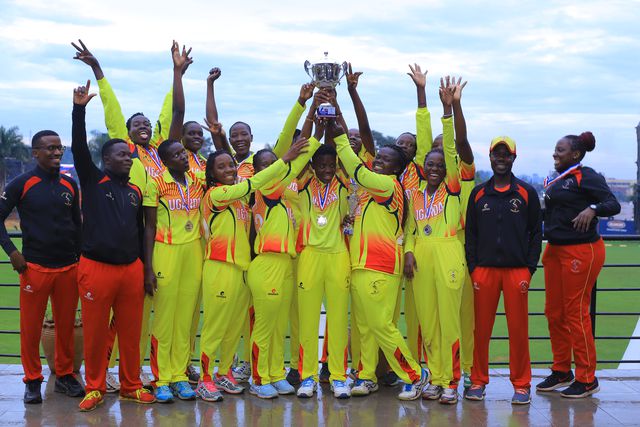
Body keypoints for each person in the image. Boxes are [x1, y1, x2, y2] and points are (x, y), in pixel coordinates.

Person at [72, 39, 178, 388]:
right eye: (137, 124)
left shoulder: (161, 153)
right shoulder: (126, 150)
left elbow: (170, 112)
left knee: (141, 315)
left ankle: (139, 370)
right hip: (124, 237)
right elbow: (113, 110)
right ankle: (104, 373)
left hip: (156, 239)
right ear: (126, 133)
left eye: (148, 123)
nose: (144, 126)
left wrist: (177, 73)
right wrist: (98, 70)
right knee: (113, 319)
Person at [196, 140, 308, 402]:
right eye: (221, 167)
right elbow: (252, 184)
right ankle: (205, 379)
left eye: (231, 166)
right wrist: (285, 159)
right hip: (220, 266)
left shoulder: (240, 201)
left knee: (234, 327)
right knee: (214, 326)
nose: (228, 170)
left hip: (242, 268)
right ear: (211, 173)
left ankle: (224, 372)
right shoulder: (216, 195)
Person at [331, 115, 429, 401]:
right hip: (361, 264)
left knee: (380, 325)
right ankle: (366, 375)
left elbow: (355, 168)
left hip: (381, 265)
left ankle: (414, 375)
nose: (378, 162)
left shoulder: (387, 185)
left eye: (386, 160)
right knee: (364, 326)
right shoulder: (368, 191)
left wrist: (339, 137)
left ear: (397, 168)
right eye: (379, 158)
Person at [71, 80, 155, 411]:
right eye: (121, 154)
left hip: (130, 270)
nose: (128, 159)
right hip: (96, 268)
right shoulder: (93, 180)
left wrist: (145, 269)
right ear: (106, 159)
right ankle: (95, 387)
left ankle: (130, 385)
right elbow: (79, 148)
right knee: (95, 333)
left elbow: (140, 231)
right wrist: (79, 110)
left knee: (131, 334)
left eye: (129, 155)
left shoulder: (135, 192)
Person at [0, 131, 84, 404]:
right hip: (34, 268)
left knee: (66, 326)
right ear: (35, 153)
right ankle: (33, 380)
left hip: (68, 267)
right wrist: (12, 252)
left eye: (59, 147)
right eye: (50, 148)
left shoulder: (70, 184)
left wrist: (81, 258)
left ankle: (64, 376)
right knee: (31, 328)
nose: (57, 152)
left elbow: (77, 225)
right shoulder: (21, 183)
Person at [246, 104, 322, 399]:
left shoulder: (285, 193)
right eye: (264, 164)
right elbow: (295, 158)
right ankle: (258, 378)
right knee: (265, 326)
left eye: (273, 162)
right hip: (267, 264)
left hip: (286, 263)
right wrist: (308, 124)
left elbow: (301, 155)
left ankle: (275, 373)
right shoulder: (265, 188)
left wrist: (315, 115)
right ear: (257, 171)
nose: (270, 166)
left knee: (278, 325)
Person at [537, 131, 620, 398]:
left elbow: (613, 204)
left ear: (575, 154)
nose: (555, 153)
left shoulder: (587, 175)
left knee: (576, 313)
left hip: (581, 250)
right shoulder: (558, 178)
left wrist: (593, 208)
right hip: (555, 249)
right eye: (555, 149)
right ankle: (562, 370)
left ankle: (587, 378)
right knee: (554, 312)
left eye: (560, 150)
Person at [464, 136, 542, 405]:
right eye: (496, 154)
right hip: (483, 272)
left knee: (518, 331)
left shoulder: (526, 193)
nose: (501, 158)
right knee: (480, 331)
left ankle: (521, 385)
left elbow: (536, 233)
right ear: (490, 157)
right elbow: (471, 234)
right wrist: (473, 269)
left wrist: (529, 269)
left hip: (516, 271)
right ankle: (478, 381)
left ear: (513, 158)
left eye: (506, 154)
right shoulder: (479, 193)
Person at [142, 42, 200, 403]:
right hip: (164, 252)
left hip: (193, 252)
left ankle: (179, 374)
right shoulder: (156, 182)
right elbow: (149, 226)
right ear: (166, 160)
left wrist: (181, 74)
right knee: (163, 319)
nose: (184, 156)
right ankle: (160, 377)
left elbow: (181, 112)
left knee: (184, 317)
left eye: (184, 152)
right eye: (177, 153)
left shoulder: (197, 179)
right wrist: (148, 266)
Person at [403, 79, 466, 404]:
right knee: (428, 322)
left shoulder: (452, 187)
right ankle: (436, 377)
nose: (435, 169)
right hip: (421, 257)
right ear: (423, 166)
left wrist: (447, 110)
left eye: (440, 166)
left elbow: (450, 148)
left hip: (448, 252)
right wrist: (408, 253)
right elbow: (410, 231)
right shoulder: (414, 194)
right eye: (430, 164)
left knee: (448, 321)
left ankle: (452, 382)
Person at [295, 138, 351, 398]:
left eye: (331, 165)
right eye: (322, 165)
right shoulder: (304, 184)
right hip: (310, 255)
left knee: (338, 319)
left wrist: (335, 124)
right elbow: (297, 164)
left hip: (338, 256)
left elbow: (349, 162)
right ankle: (308, 377)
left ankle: (339, 377)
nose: (327, 169)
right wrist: (316, 126)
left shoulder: (344, 184)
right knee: (307, 320)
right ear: (313, 166)